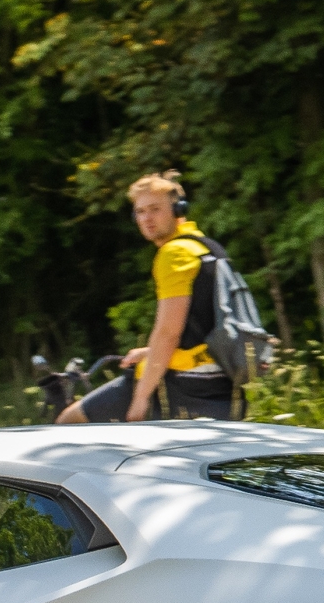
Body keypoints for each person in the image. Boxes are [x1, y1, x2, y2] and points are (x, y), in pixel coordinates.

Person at [57, 172, 240, 423]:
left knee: (69, 422)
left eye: (155, 209)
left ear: (178, 210)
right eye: (140, 212)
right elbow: (199, 325)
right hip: (220, 379)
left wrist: (141, 397)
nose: (147, 219)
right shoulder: (207, 248)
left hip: (183, 382)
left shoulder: (173, 254)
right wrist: (149, 352)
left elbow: (168, 332)